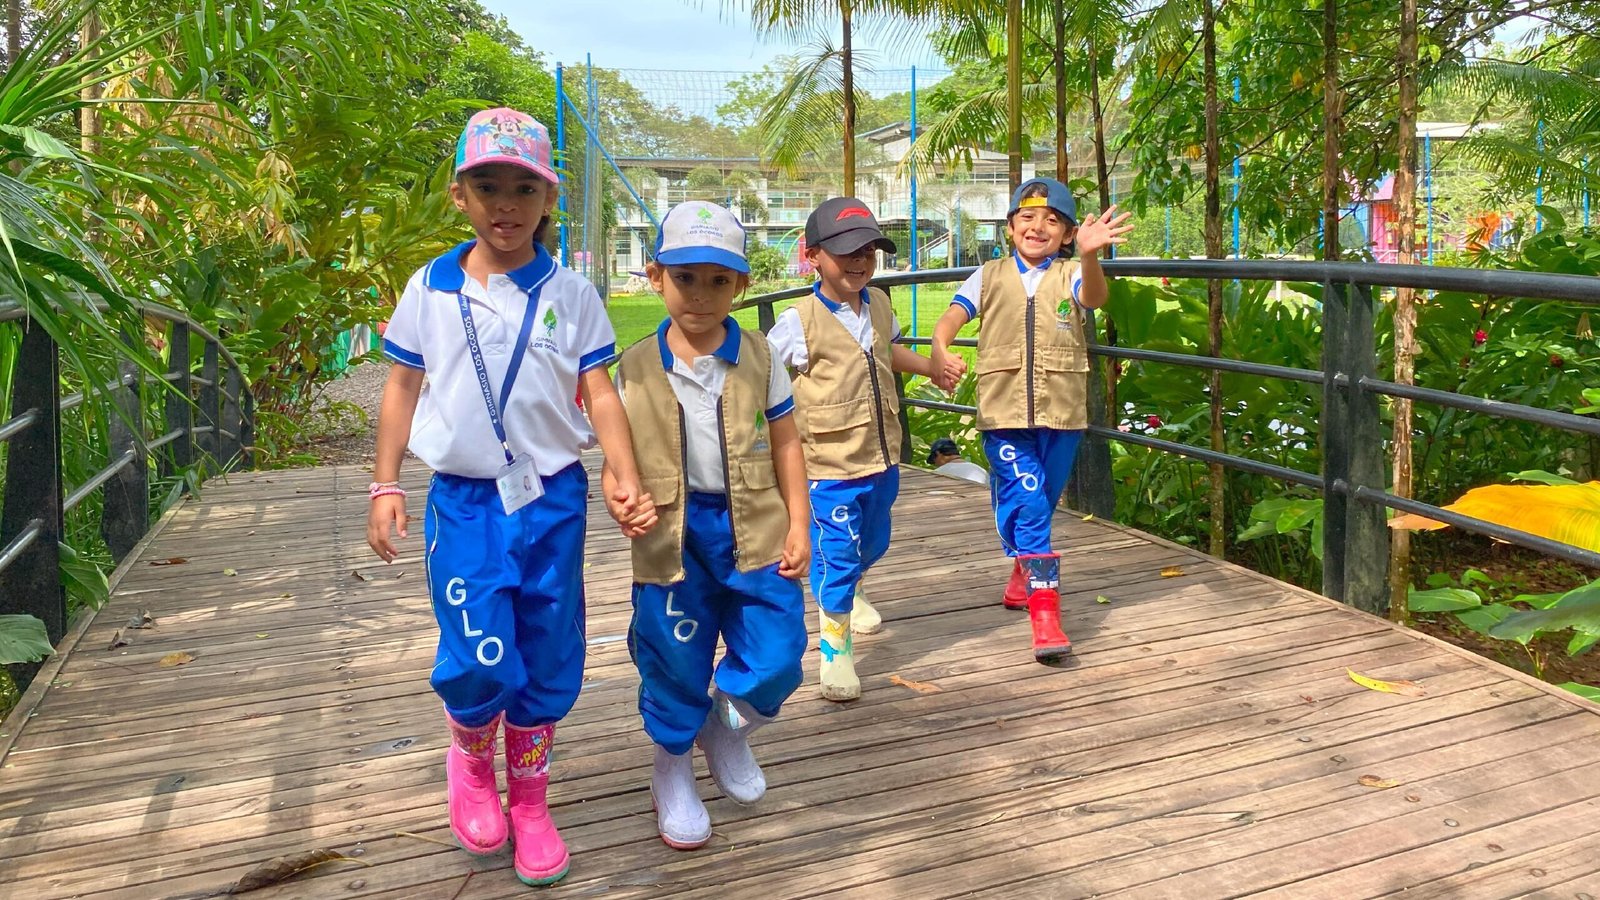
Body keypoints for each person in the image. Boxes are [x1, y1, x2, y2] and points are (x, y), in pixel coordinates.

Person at [366, 107, 655, 888]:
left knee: (547, 647)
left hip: (552, 500)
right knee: (478, 645)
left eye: (523, 187)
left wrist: (623, 473)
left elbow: (599, 393)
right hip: (462, 500)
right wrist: (386, 482)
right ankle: (468, 758)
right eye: (486, 184)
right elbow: (401, 385)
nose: (505, 203)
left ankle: (531, 799)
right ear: (459, 195)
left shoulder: (572, 293)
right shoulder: (430, 287)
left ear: (547, 200)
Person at [609, 201, 811, 850]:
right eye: (685, 277)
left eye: (718, 281)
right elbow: (617, 457)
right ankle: (670, 769)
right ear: (655, 276)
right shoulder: (633, 367)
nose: (700, 295)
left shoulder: (759, 356)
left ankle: (725, 723)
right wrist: (623, 496)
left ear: (741, 286)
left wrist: (800, 523)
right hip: (672, 534)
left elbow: (786, 444)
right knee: (673, 655)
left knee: (778, 651)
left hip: (755, 525)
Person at [766, 197, 962, 702]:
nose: (860, 260)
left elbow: (886, 350)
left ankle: (851, 592)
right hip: (828, 464)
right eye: (846, 250)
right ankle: (835, 653)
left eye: (869, 250)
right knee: (836, 553)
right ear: (813, 255)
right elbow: (763, 377)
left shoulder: (877, 303)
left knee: (873, 542)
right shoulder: (797, 321)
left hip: (881, 456)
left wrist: (930, 369)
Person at [929, 177, 1132, 663]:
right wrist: (939, 350)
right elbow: (951, 319)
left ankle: (1021, 570)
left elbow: (1095, 298)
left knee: (1041, 495)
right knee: (1031, 501)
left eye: (1052, 220)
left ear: (1066, 234)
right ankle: (1046, 613)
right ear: (1010, 227)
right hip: (1003, 411)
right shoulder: (989, 274)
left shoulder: (1070, 273)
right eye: (1027, 217)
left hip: (1061, 409)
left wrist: (1089, 255)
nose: (1038, 226)